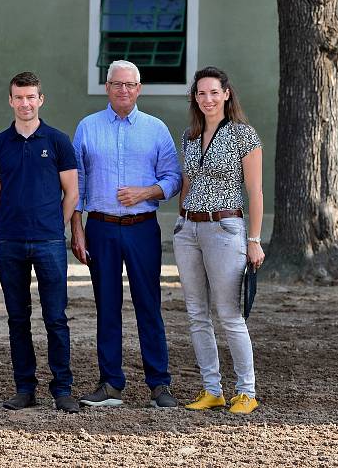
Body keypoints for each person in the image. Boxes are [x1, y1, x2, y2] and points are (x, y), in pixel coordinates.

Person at [71, 60, 181, 408]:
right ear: (107, 87)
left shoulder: (156, 129)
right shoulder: (88, 127)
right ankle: (110, 383)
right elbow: (77, 183)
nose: (123, 90)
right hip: (100, 227)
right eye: (117, 84)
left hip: (142, 229)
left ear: (139, 88)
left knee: (149, 304)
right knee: (107, 305)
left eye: (130, 84)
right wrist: (77, 228)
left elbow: (173, 178)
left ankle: (159, 384)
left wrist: (145, 192)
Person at [0, 72, 80, 413]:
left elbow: (71, 192)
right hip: (10, 241)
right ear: (11, 101)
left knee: (55, 317)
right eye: (19, 97)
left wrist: (54, 223)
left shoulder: (57, 141)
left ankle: (63, 389)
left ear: (40, 99)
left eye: (31, 97)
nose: (25, 103)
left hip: (49, 242)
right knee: (17, 318)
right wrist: (15, 219)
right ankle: (25, 389)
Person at [173, 66, 265, 415]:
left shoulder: (244, 135)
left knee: (229, 314)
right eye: (201, 93)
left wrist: (253, 239)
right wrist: (182, 222)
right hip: (189, 231)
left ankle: (246, 391)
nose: (207, 99)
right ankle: (212, 389)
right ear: (194, 98)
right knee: (197, 314)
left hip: (225, 228)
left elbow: (254, 191)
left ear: (227, 93)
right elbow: (186, 181)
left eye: (214, 92)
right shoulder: (190, 135)